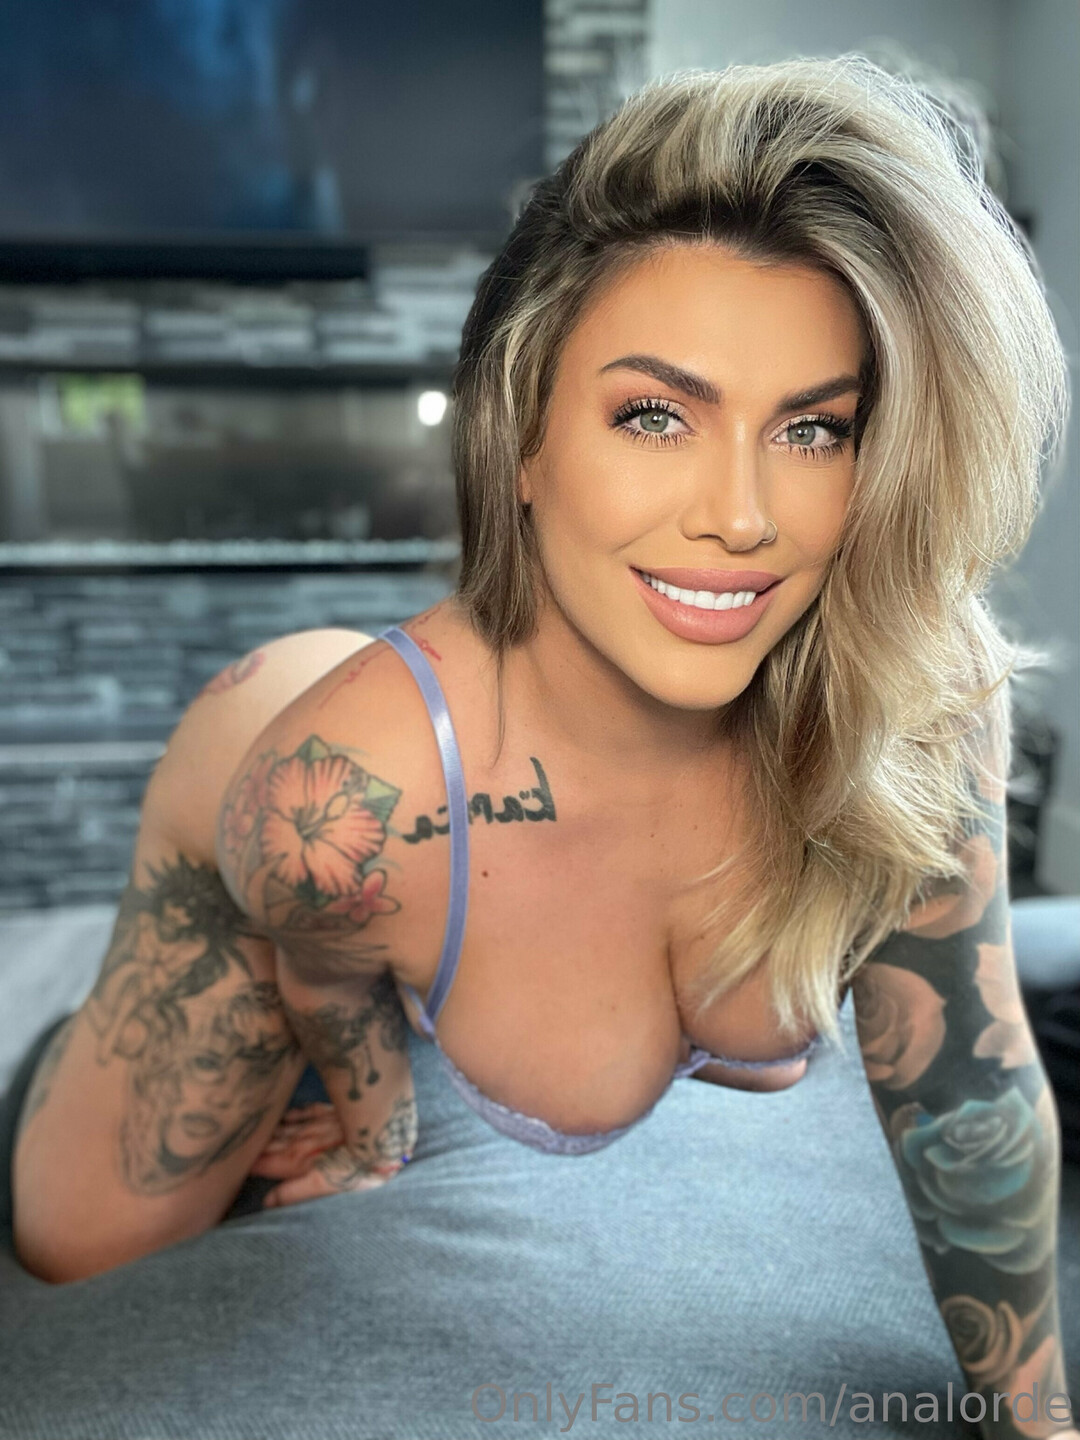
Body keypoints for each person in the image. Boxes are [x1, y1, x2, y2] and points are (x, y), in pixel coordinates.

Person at [8, 52, 1076, 1438]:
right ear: (522, 433)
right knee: (90, 1241)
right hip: (301, 809)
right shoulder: (337, 803)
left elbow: (968, 1085)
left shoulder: (917, 704)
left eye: (815, 429)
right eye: (655, 415)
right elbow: (319, 958)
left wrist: (1041, 1425)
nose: (742, 515)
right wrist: (379, 1129)